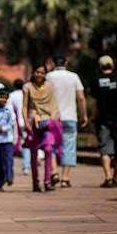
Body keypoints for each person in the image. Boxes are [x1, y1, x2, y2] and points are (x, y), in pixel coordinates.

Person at [46, 55, 88, 188]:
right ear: (66, 63)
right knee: (69, 147)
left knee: (51, 145)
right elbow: (81, 97)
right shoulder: (74, 76)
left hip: (53, 117)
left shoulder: (49, 77)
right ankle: (65, 178)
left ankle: (54, 172)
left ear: (53, 63)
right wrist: (84, 115)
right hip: (70, 116)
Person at [22, 65, 63, 192]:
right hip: (34, 122)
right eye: (37, 72)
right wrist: (27, 122)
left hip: (49, 122)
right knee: (33, 153)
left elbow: (54, 105)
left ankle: (47, 181)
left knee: (48, 149)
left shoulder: (50, 86)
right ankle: (35, 182)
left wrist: (54, 119)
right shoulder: (27, 87)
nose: (40, 75)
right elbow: (24, 107)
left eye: (42, 72)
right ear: (33, 73)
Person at [91, 55, 117, 188]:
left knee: (104, 149)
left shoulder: (96, 80)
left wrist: (93, 117)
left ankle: (107, 177)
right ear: (112, 65)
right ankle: (115, 177)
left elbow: (95, 102)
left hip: (102, 120)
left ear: (100, 66)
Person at [8, 79, 30, 176]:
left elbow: (11, 111)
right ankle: (26, 166)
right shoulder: (26, 94)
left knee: (12, 142)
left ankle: (10, 165)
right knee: (26, 143)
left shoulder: (12, 95)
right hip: (27, 121)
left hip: (17, 122)